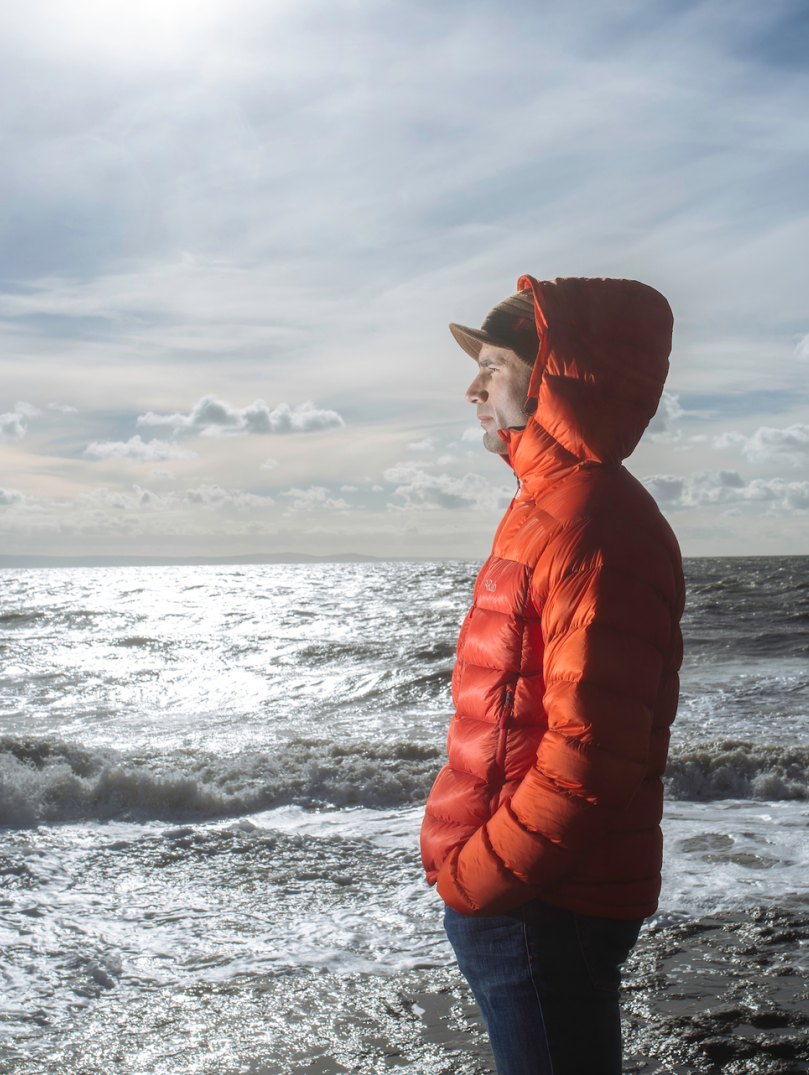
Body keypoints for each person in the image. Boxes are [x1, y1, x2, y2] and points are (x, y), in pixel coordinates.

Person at [420, 275, 684, 1075]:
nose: (471, 386)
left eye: (493, 365)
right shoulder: (552, 504)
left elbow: (593, 748)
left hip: (541, 898)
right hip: (529, 890)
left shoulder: (591, 523)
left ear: (552, 379)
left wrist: (483, 874)